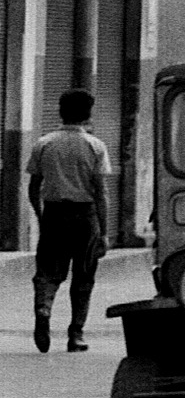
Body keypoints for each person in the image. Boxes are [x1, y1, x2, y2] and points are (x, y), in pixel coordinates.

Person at [28, 87, 113, 354]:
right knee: (84, 276)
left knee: (48, 272)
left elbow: (33, 187)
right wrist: (104, 232)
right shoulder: (95, 146)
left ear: (60, 112)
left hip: (54, 214)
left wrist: (41, 215)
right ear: (89, 114)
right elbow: (101, 192)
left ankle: (44, 309)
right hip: (85, 217)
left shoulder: (44, 143)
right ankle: (76, 334)